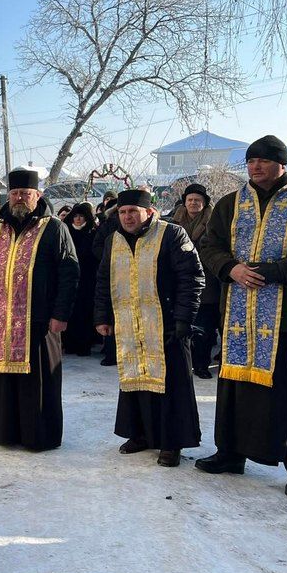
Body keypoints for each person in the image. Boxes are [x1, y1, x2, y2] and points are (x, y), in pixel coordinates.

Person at [196, 135, 287, 499]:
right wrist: (231, 268)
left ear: (282, 164)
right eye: (250, 161)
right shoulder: (231, 203)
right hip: (239, 313)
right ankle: (231, 452)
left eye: (263, 160)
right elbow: (209, 246)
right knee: (235, 389)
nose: (255, 167)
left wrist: (275, 271)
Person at [94, 190, 203, 467]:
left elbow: (191, 278)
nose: (127, 217)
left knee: (172, 385)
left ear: (149, 212)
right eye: (122, 212)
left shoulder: (171, 234)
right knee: (134, 379)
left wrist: (183, 320)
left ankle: (171, 442)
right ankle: (139, 433)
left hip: (166, 325)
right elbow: (104, 281)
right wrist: (102, 316)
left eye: (133, 211)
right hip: (129, 323)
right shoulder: (113, 240)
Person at [0, 168, 79, 451]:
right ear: (8, 197)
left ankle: (38, 435)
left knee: (39, 382)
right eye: (14, 193)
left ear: (38, 195)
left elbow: (69, 274)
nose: (19, 198)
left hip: (41, 321)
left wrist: (61, 314)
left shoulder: (55, 228)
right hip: (3, 319)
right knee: (4, 380)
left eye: (25, 193)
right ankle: (3, 432)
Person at [172, 183, 218, 378]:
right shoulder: (173, 222)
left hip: (207, 283)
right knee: (180, 327)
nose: (193, 203)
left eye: (197, 200)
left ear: (204, 203)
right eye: (190, 200)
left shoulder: (214, 222)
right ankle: (183, 364)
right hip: (179, 282)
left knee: (204, 329)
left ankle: (201, 364)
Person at [62, 202, 98, 356]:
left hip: (87, 279)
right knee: (69, 312)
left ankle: (84, 344)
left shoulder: (92, 233)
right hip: (69, 279)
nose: (77, 219)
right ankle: (69, 344)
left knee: (85, 313)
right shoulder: (66, 232)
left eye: (81, 216)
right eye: (75, 216)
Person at [92, 195, 122, 366]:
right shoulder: (108, 225)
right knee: (111, 317)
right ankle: (111, 353)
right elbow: (96, 246)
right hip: (113, 273)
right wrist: (111, 258)